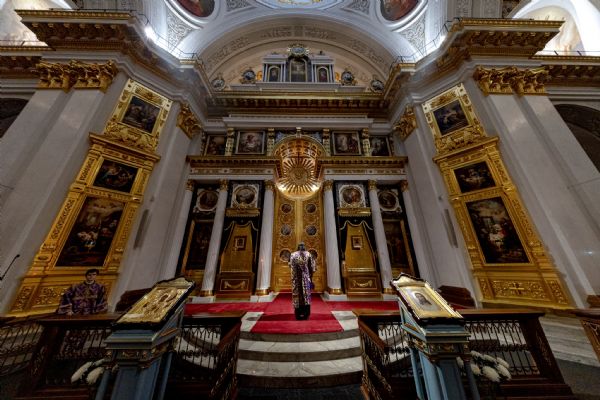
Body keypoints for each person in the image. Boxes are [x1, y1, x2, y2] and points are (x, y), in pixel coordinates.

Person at [288, 242, 316, 320]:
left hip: (296, 279)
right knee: (306, 296)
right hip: (306, 279)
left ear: (298, 247)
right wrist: (310, 277)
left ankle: (298, 313)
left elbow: (290, 265)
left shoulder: (293, 255)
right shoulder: (308, 254)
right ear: (304, 247)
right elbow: (312, 268)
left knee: (298, 295)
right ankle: (306, 313)